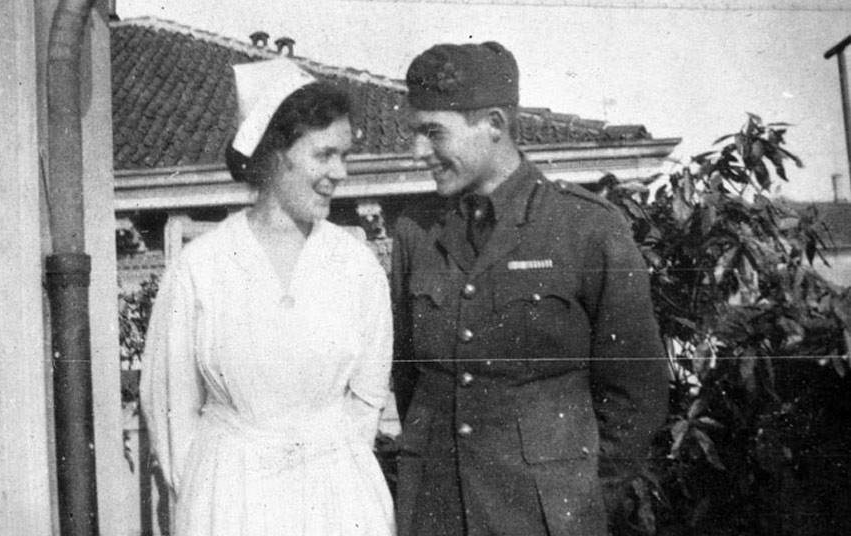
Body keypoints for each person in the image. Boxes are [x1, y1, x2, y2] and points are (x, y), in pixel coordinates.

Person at [391, 42, 669, 536]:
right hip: (438, 512)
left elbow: (637, 393)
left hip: (547, 519)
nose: (418, 152)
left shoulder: (586, 228)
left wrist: (577, 501)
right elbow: (411, 379)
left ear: (494, 124)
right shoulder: (417, 233)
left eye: (433, 132)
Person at [140, 57, 395, 536]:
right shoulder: (202, 267)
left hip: (336, 501)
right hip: (229, 501)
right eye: (324, 154)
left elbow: (367, 400)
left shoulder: (357, 268)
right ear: (274, 151)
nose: (340, 172)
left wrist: (320, 464)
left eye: (344, 155)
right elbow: (171, 407)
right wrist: (207, 492)